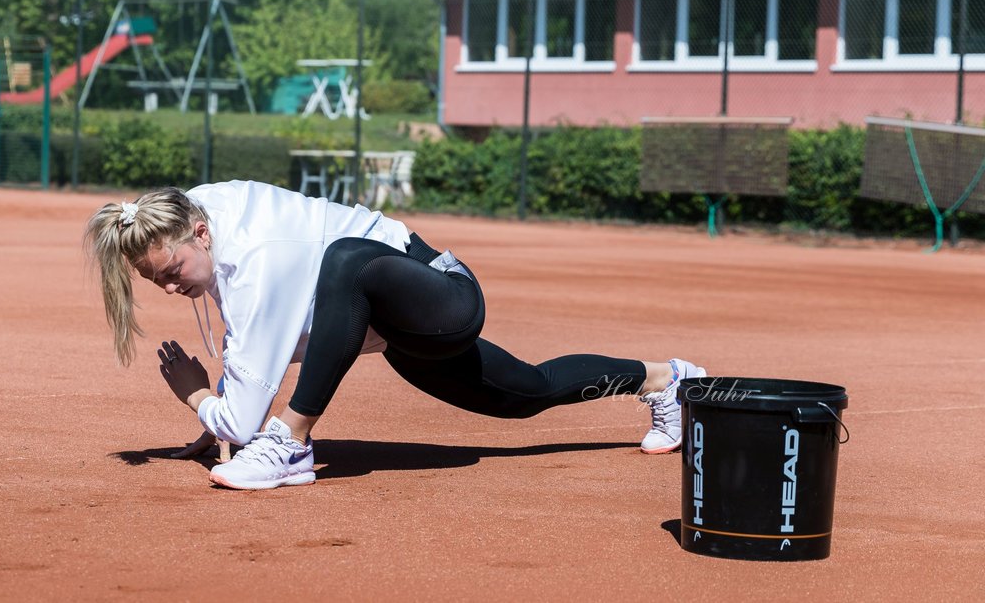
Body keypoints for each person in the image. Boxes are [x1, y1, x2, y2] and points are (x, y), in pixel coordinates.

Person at [84, 180, 705, 491]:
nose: (169, 288)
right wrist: (217, 423)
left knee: (345, 258)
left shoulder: (253, 256)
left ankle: (294, 444)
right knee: (524, 393)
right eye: (155, 282)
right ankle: (666, 380)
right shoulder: (193, 214)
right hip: (395, 329)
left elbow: (244, 419)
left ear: (199, 233)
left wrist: (200, 398)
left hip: (444, 297)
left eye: (170, 274)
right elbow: (247, 344)